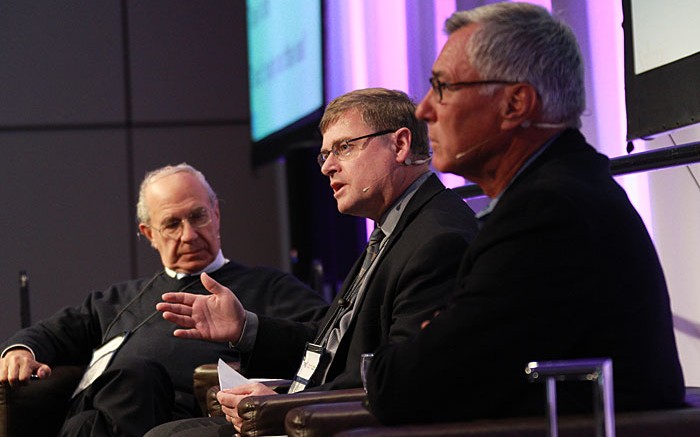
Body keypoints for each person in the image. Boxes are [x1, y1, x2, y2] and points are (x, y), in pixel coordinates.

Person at [363, 2, 686, 426]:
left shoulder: (547, 214)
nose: (424, 109)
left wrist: (425, 342)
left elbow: (403, 386)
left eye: (442, 87)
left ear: (515, 104)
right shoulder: (557, 193)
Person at [144, 88, 479, 436]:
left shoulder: (437, 240)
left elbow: (398, 377)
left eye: (344, 147)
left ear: (400, 145)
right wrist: (246, 327)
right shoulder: (392, 228)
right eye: (325, 155)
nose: (328, 167)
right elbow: (333, 344)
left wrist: (282, 405)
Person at [0, 163, 329, 437]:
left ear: (216, 214)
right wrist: (19, 351)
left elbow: (326, 338)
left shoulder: (269, 286)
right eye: (172, 224)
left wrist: (247, 329)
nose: (188, 235)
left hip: (186, 418)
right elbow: (51, 332)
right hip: (107, 413)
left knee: (132, 380)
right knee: (112, 394)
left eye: (198, 216)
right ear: (148, 234)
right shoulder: (118, 299)